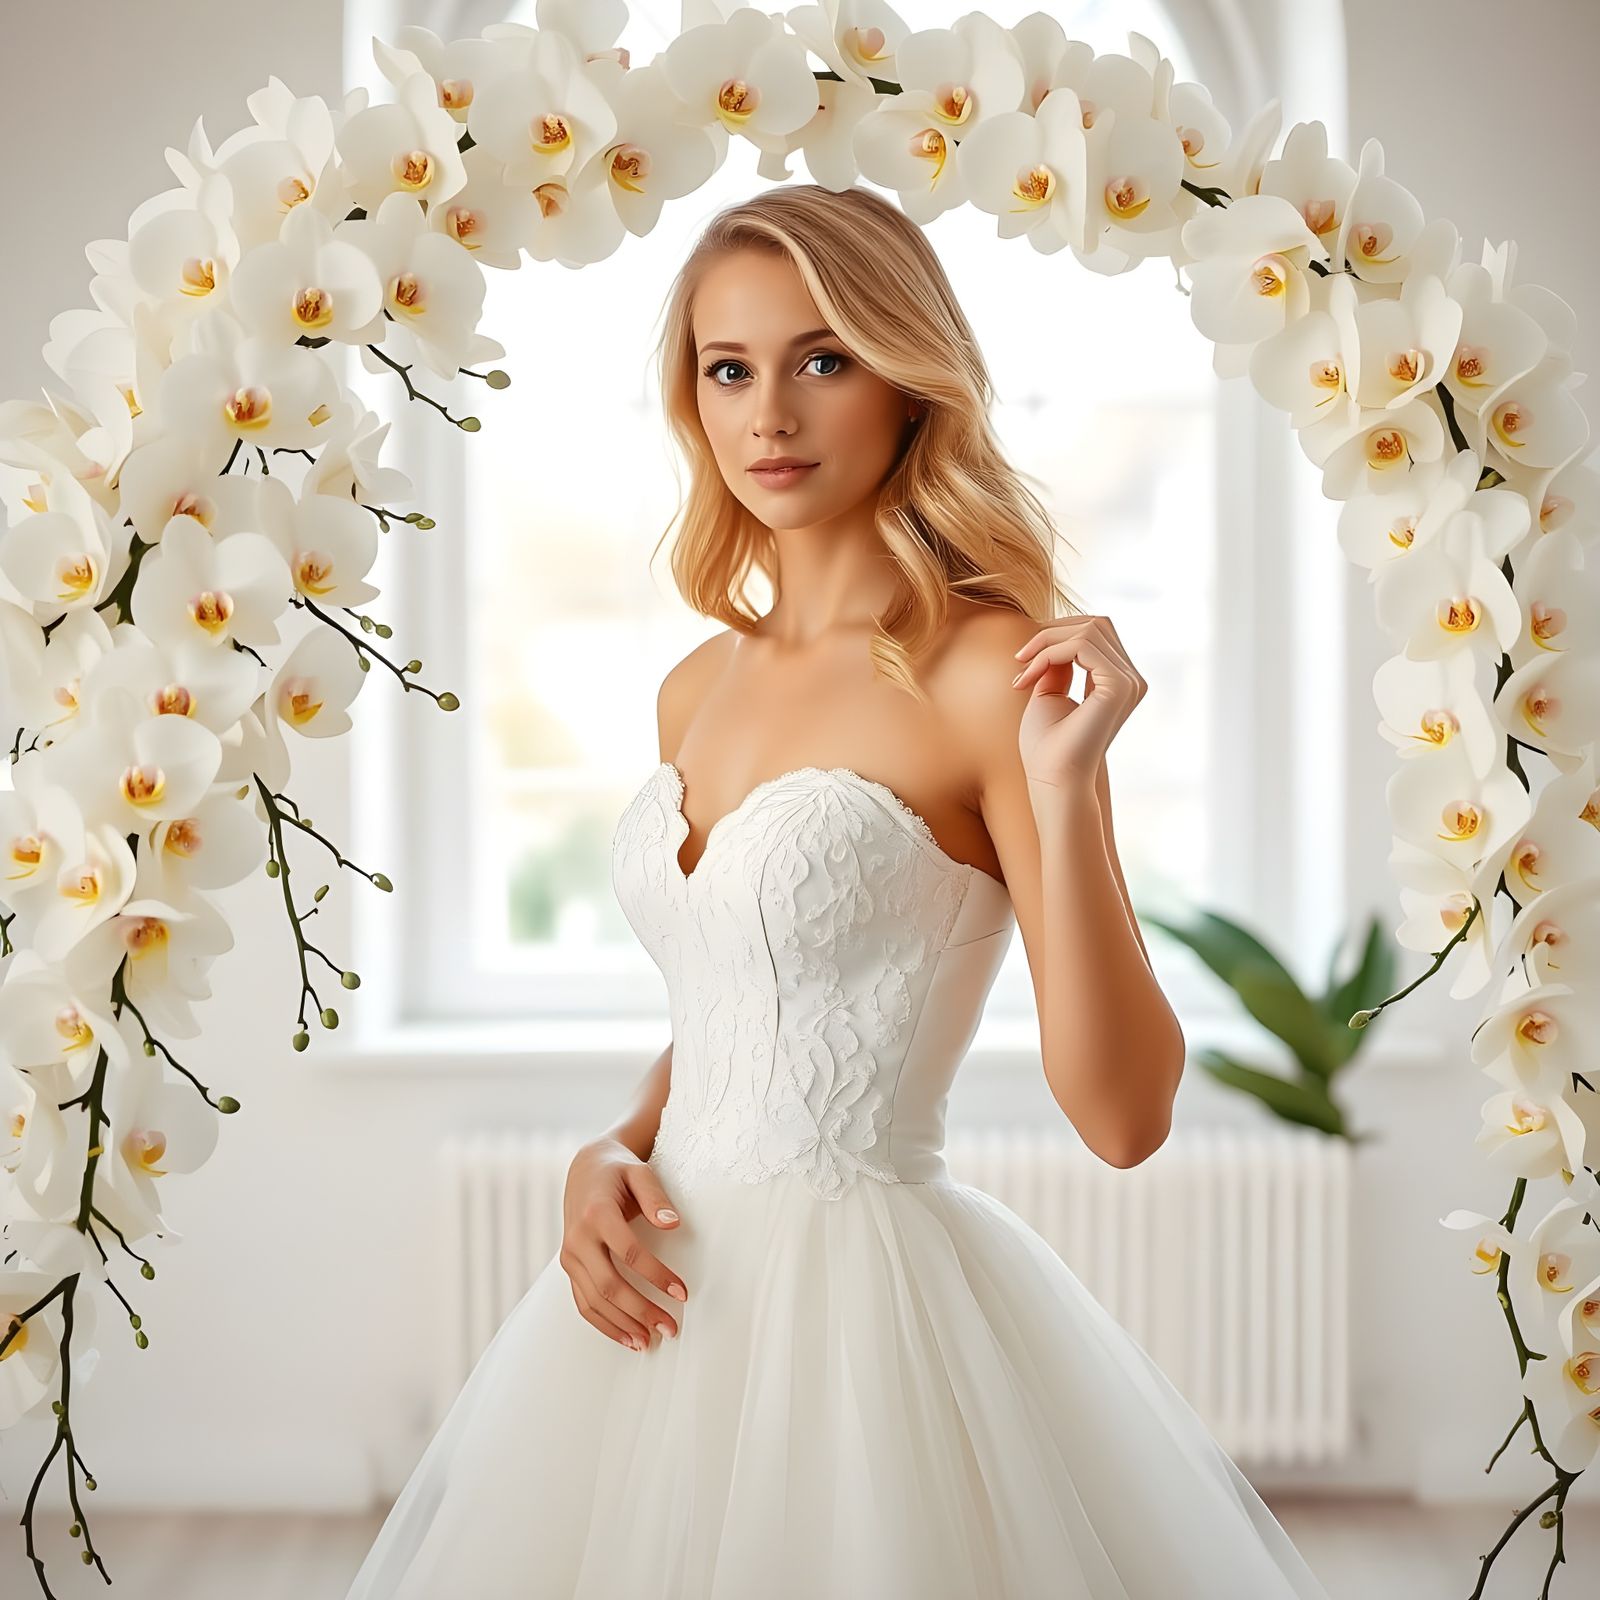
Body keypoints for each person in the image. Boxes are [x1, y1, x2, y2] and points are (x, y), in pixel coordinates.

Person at [344, 183, 1330, 1599]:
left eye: (824, 358)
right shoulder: (695, 687)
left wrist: (1063, 792)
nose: (771, 415)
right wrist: (612, 1146)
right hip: (662, 1303)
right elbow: (752, 988)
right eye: (728, 368)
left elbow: (1124, 1118)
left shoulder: (992, 672)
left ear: (909, 375)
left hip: (864, 1328)